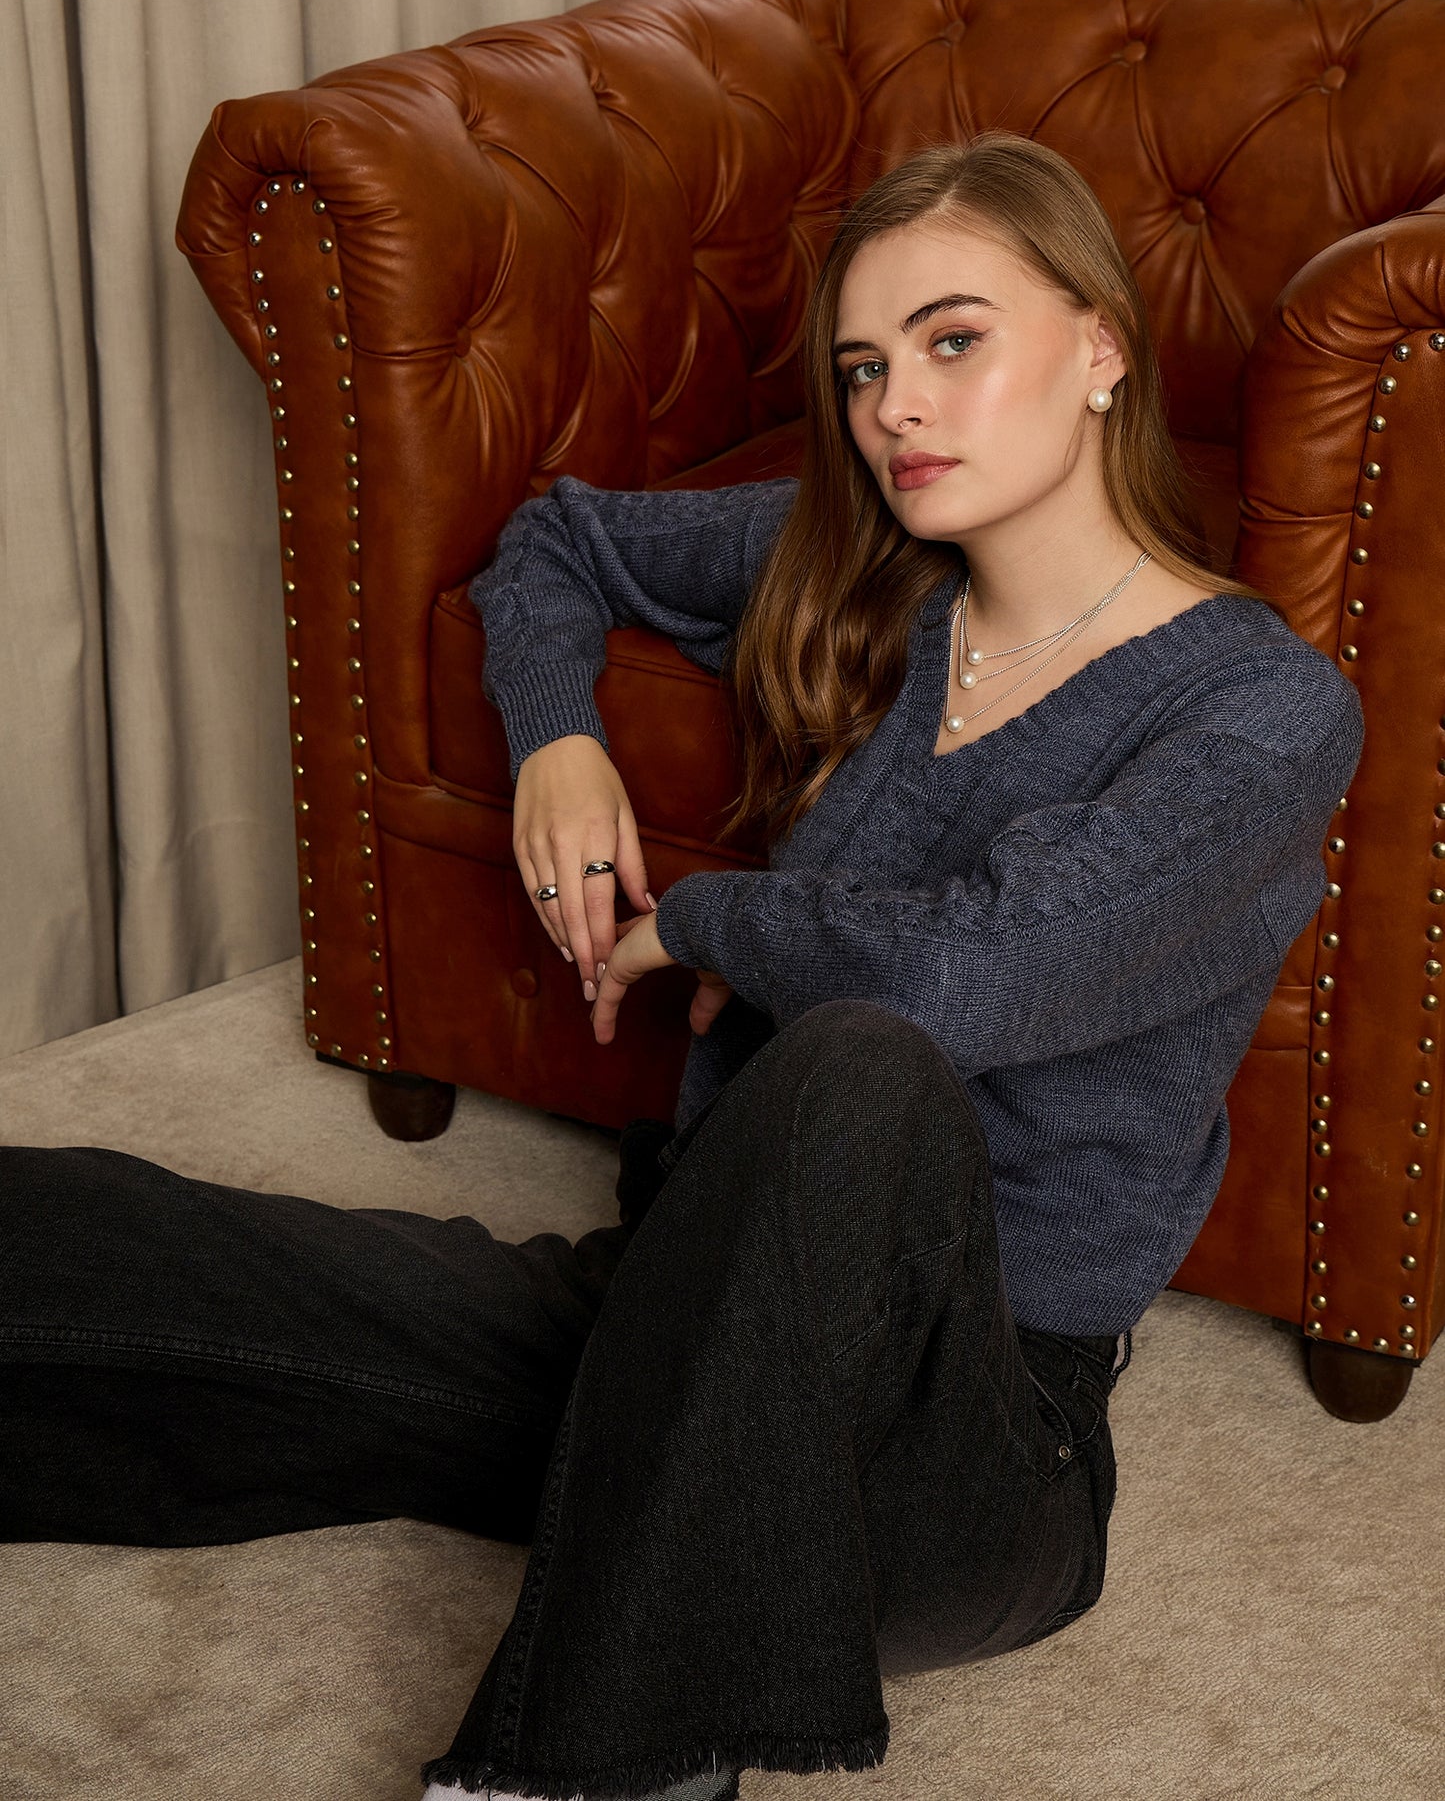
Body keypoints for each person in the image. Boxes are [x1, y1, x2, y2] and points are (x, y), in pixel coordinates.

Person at [0, 133, 1364, 1801]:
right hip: (672, 1305)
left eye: (951, 341)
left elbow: (963, 983)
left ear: (1099, 348)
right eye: (861, 369)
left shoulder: (1261, 713)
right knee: (165, 1271)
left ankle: (567, 1771)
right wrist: (558, 740)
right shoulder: (864, 570)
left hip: (968, 1433)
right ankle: (637, 1509)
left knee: (860, 1062)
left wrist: (714, 921)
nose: (896, 409)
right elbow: (556, 544)